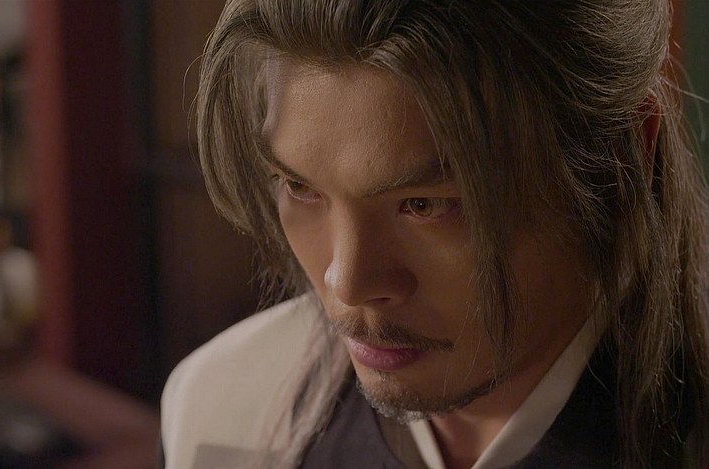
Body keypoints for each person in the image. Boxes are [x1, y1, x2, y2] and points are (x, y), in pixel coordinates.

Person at [160, 1, 709, 468]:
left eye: (425, 205)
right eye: (300, 188)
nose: (347, 284)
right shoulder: (224, 414)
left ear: (622, 156)